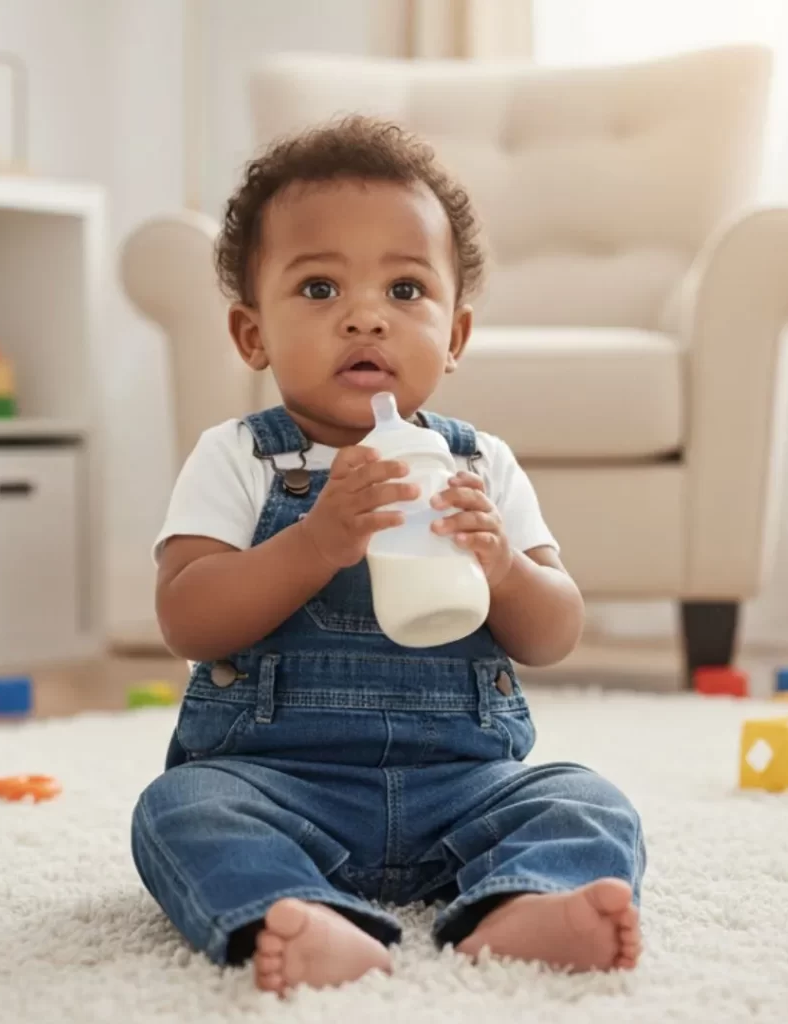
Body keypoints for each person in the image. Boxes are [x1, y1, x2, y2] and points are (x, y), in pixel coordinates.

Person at [132, 116, 645, 995]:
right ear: (251, 336)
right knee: (178, 812)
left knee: (586, 800)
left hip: (464, 789)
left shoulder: (478, 463)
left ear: (455, 335)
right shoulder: (240, 457)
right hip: (277, 785)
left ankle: (521, 906)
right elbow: (188, 613)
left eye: (406, 291)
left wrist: (504, 568)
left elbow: (555, 630)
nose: (366, 315)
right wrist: (314, 542)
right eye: (321, 288)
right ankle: (297, 912)